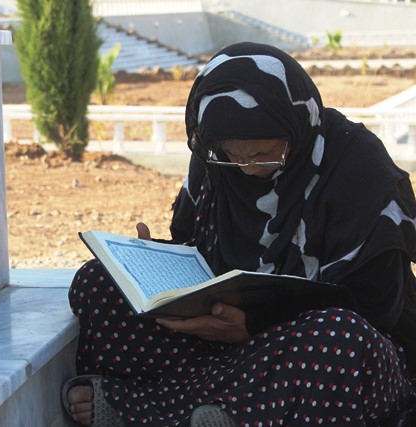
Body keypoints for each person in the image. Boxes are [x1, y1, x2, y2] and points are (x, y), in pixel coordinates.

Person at [62, 42, 416, 426]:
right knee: (98, 285)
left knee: (340, 340)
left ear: (297, 128)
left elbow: (376, 308)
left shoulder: (358, 168)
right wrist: (155, 263)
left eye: (264, 154)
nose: (247, 169)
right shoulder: (214, 160)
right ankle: (225, 408)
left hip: (322, 353)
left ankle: (151, 408)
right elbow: (198, 252)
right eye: (234, 155)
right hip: (222, 349)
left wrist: (253, 324)